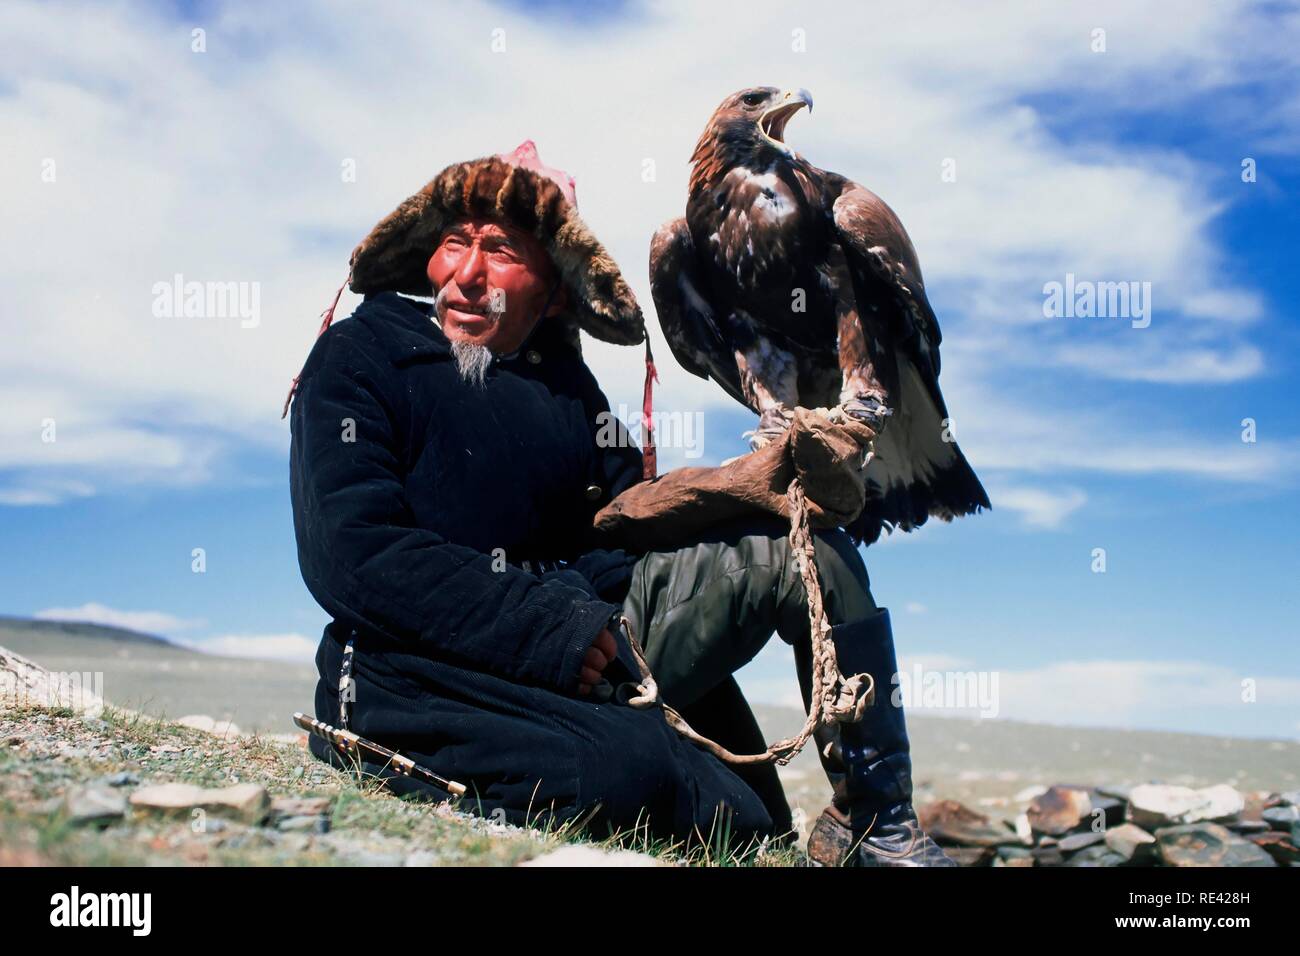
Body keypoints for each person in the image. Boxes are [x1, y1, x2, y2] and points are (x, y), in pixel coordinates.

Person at [287, 141, 952, 864]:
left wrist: (752, 486)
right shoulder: (361, 356)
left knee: (806, 555)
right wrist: (552, 628)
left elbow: (625, 519)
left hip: (592, 642)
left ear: (556, 290)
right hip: (413, 669)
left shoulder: (570, 393)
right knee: (653, 787)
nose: (467, 275)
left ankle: (876, 825)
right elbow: (354, 557)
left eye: (503, 251)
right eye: (454, 244)